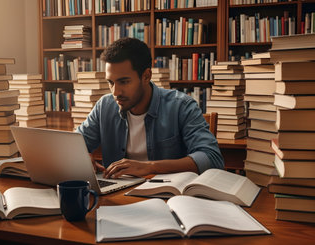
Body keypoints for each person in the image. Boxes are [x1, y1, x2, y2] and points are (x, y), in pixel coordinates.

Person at [76, 37, 224, 179]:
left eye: (124, 82)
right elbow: (72, 144)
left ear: (146, 76)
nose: (115, 92)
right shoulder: (104, 106)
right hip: (115, 195)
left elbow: (212, 158)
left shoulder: (181, 106)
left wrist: (150, 166)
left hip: (167, 197)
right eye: (111, 82)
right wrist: (81, 156)